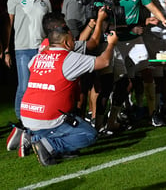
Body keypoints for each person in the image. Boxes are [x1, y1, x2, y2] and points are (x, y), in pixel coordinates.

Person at [20, 12, 118, 166]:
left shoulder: (35, 59)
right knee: (88, 134)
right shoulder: (69, 58)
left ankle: (31, 134)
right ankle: (48, 145)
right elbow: (104, 62)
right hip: (49, 119)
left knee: (69, 113)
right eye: (73, 40)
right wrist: (111, 44)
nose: (75, 43)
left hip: (27, 113)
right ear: (66, 43)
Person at [4, 0, 52, 122]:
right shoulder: (14, 0)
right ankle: (21, 119)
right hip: (23, 50)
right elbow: (8, 26)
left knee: (43, 87)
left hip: (43, 50)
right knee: (24, 86)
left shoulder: (45, 0)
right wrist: (6, 51)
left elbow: (51, 26)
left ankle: (41, 115)